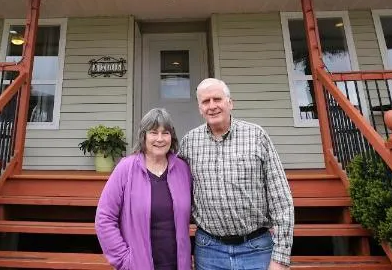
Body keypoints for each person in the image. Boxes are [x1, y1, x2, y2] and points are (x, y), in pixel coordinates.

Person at [180, 78, 294, 270]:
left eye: (217, 99)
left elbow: (281, 199)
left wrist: (281, 258)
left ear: (230, 103)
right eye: (205, 102)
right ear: (200, 108)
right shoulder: (189, 143)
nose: (212, 106)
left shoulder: (256, 136)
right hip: (209, 250)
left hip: (257, 248)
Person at [95, 108, 192, 270]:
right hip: (138, 265)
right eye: (154, 132)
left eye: (165, 133)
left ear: (172, 136)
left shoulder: (182, 169)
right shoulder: (125, 169)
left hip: (178, 265)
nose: (160, 139)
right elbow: (105, 218)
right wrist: (124, 259)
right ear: (144, 136)